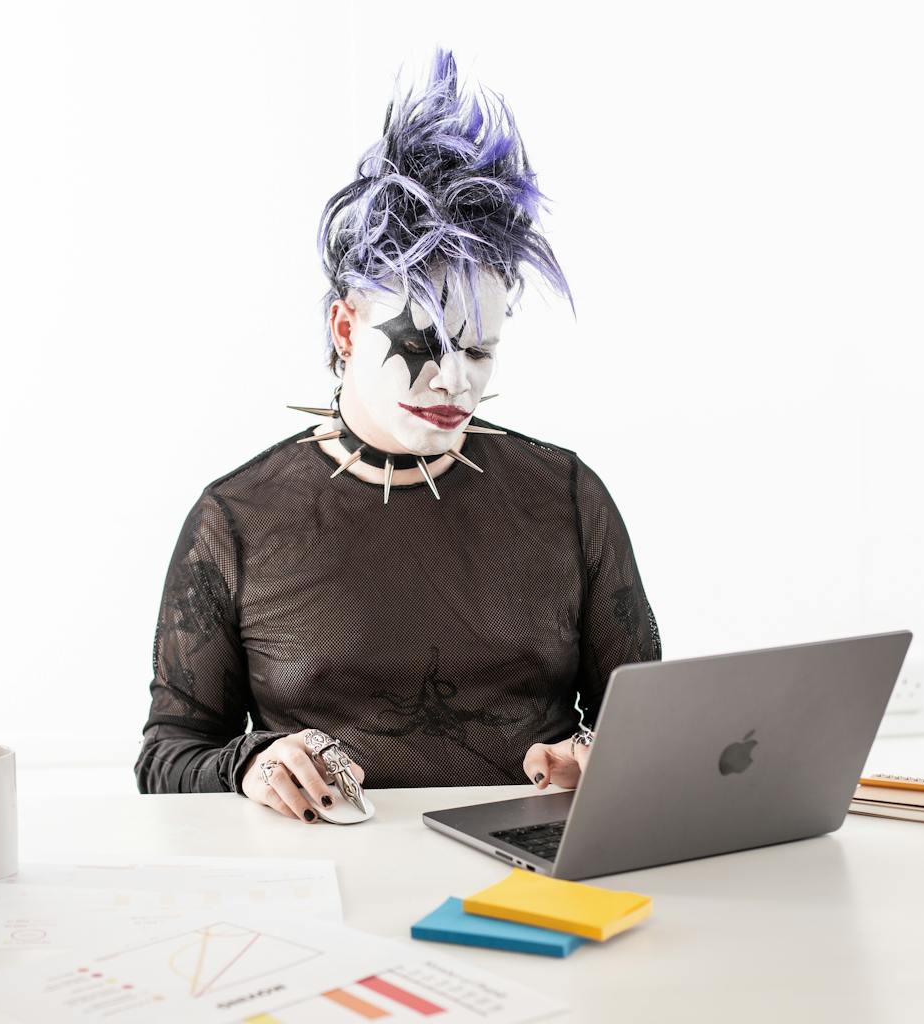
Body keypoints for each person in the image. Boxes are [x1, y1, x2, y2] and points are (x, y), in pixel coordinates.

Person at [134, 48, 661, 821]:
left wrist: (599, 764)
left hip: (532, 875)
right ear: (347, 326)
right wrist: (253, 762)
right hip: (325, 885)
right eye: (423, 346)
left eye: (480, 350)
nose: (456, 382)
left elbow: (652, 726)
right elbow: (166, 757)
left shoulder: (568, 498)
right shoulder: (235, 521)